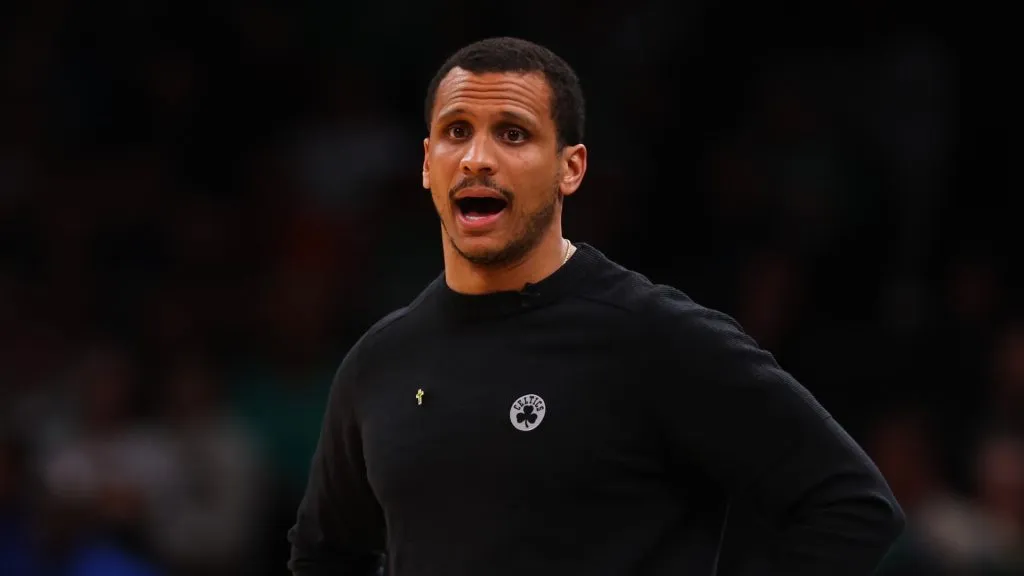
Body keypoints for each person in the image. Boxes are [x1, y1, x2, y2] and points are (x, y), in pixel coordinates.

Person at [287, 36, 905, 576]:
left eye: (513, 133)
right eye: (456, 132)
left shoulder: (652, 336)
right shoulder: (380, 362)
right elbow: (324, 554)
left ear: (570, 168)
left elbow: (850, 505)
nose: (477, 157)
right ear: (427, 165)